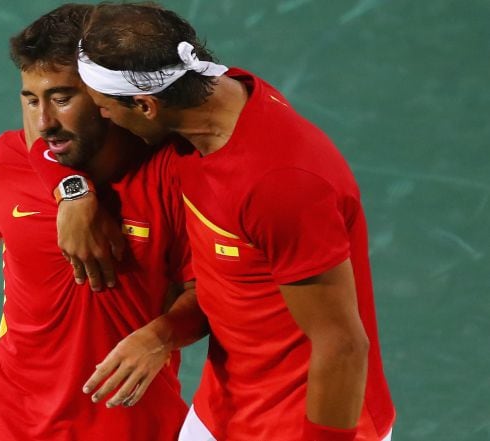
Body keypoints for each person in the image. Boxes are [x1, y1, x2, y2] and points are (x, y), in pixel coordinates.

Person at [26, 3, 396, 440]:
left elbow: (343, 346)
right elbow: (40, 140)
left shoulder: (281, 185)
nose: (102, 119)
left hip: (302, 424)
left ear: (144, 106)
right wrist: (73, 191)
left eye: (105, 108)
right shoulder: (204, 99)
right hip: (223, 409)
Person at [0, 4, 207, 440]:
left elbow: (209, 291)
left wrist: (159, 338)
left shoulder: (172, 175)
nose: (43, 122)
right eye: (30, 99)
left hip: (131, 426)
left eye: (61, 97)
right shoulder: (10, 159)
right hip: (12, 422)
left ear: (104, 93)